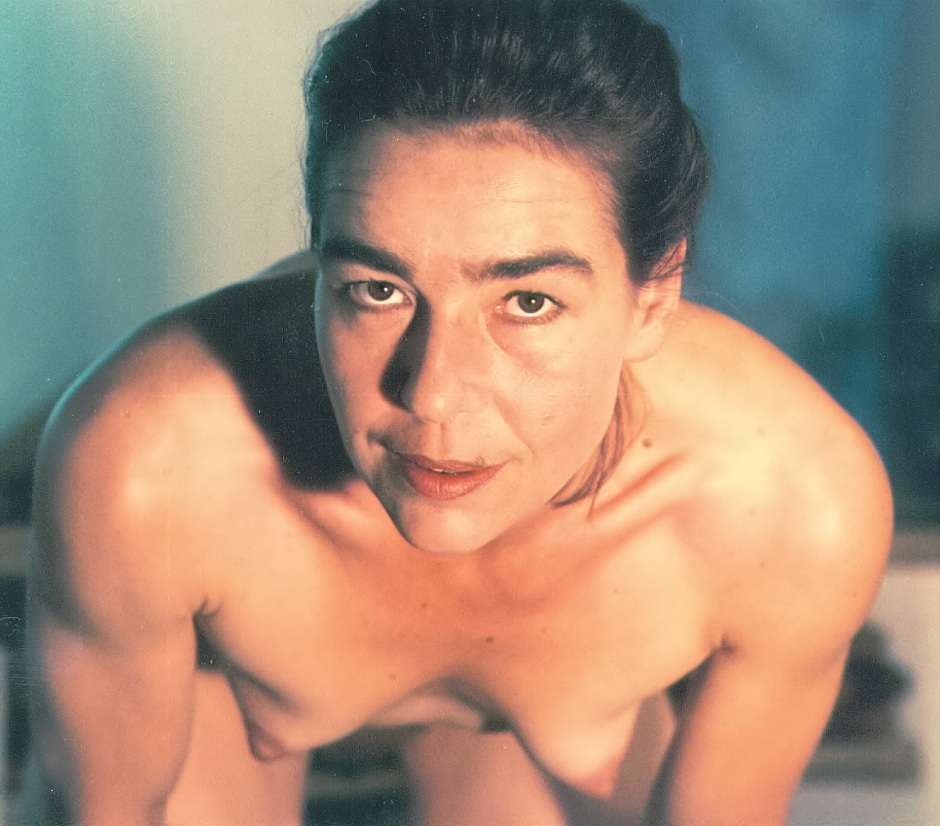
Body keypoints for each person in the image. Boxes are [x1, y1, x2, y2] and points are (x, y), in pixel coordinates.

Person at [26, 0, 893, 824]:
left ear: (652, 299)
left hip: (534, 736)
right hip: (230, 684)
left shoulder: (793, 500)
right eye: (377, 289)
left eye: (527, 303)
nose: (433, 394)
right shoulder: (146, 461)